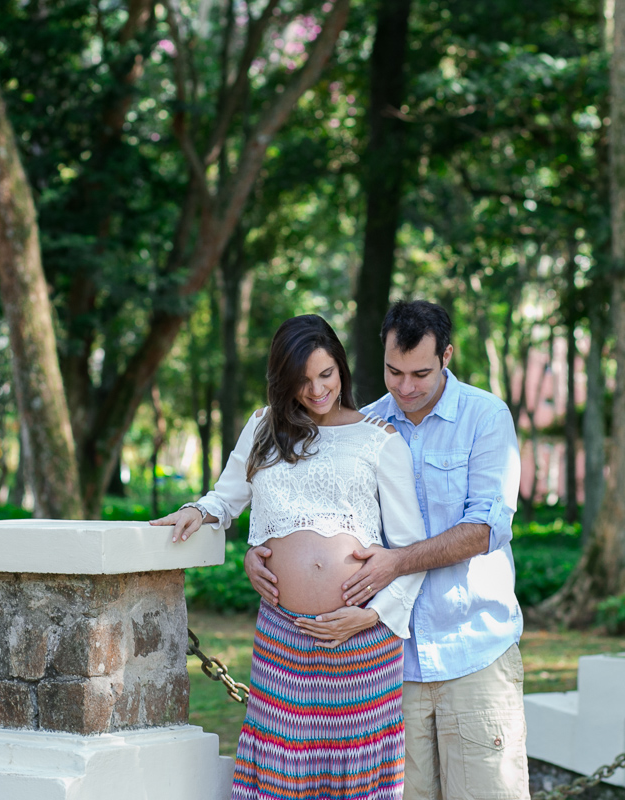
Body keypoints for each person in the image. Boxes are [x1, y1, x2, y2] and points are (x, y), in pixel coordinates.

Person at [246, 300, 528, 800]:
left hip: (472, 647)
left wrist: (397, 561)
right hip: (394, 662)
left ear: (447, 355)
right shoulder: (362, 426)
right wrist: (259, 547)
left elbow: (485, 528)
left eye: (420, 372)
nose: (405, 387)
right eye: (393, 372)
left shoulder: (486, 417)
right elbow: (301, 501)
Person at [151, 314, 428, 800]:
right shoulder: (264, 426)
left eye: (327, 374)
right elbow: (226, 497)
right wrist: (199, 511)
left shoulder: (380, 439)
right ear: (283, 379)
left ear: (341, 368)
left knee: (356, 773)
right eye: (302, 380)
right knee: (281, 768)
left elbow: (409, 552)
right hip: (284, 636)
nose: (318, 389)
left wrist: (370, 618)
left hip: (361, 639)